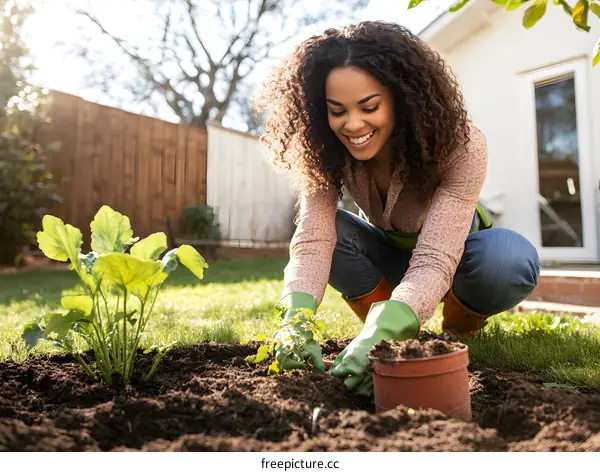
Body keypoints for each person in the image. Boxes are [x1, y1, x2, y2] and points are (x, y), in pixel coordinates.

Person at [256, 21, 540, 395]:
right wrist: (297, 319)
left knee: (508, 259)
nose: (352, 124)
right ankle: (384, 336)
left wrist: (388, 325)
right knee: (333, 233)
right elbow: (312, 238)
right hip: (394, 254)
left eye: (369, 106)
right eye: (337, 110)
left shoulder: (462, 145)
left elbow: (436, 258)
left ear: (402, 98)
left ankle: (453, 328)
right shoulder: (325, 150)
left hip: (461, 260)